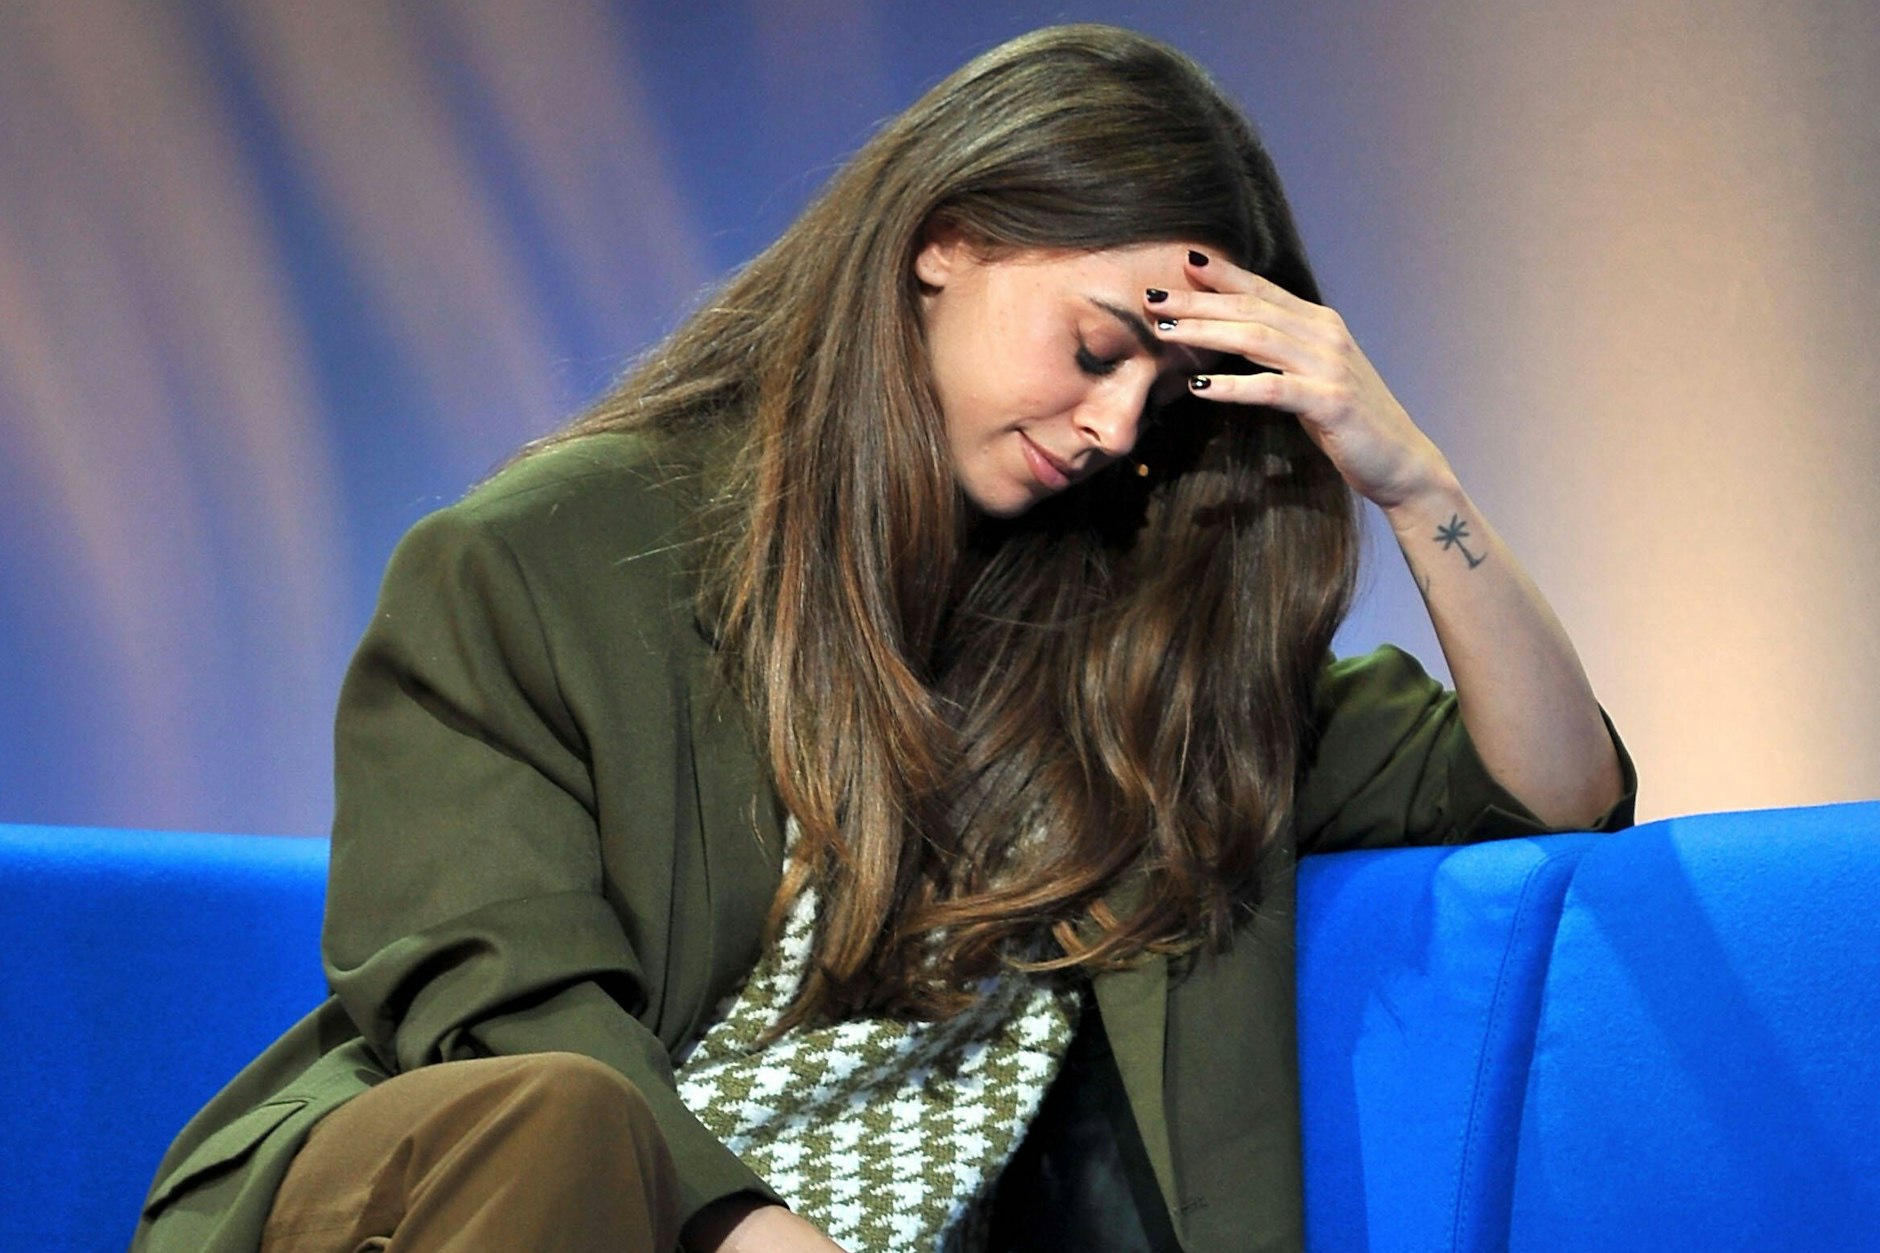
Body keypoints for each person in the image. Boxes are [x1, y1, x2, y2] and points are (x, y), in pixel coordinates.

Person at [131, 23, 1632, 1253]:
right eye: (1099, 347)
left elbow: (1556, 787)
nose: (1115, 428)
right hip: (495, 1202)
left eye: (1161, 400)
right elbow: (490, 1000)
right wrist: (738, 1227)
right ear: (949, 240)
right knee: (560, 1122)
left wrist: (1411, 474)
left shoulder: (1138, 659)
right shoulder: (543, 560)